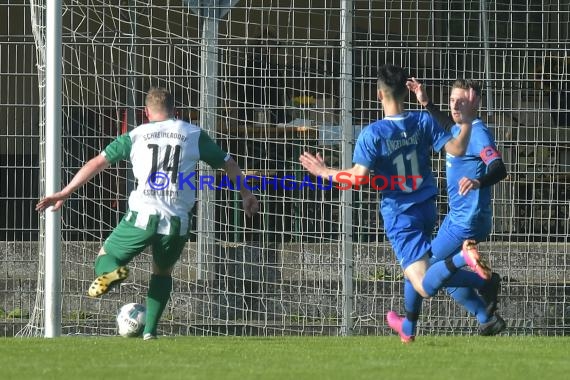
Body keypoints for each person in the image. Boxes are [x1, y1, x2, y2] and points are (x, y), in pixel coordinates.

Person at [36, 87, 259, 340]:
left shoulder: (136, 135)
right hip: (176, 221)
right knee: (161, 273)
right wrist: (246, 194)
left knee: (104, 257)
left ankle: (114, 272)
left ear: (146, 112)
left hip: (141, 215)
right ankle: (150, 331)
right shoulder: (192, 133)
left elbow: (96, 163)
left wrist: (65, 192)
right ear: (176, 111)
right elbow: (228, 163)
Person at [299, 64, 495, 342]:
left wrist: (324, 172)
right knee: (417, 271)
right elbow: (458, 148)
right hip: (427, 209)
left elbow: (357, 178)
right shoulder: (423, 121)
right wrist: (467, 120)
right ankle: (407, 328)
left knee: (425, 285)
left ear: (379, 95)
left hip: (400, 216)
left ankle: (466, 262)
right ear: (406, 91)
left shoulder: (373, 134)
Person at [389, 78, 508, 338]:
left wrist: (479, 181)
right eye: (452, 100)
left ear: (474, 103)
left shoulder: (477, 132)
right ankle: (486, 318)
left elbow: (499, 168)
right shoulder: (458, 129)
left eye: (461, 101)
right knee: (445, 279)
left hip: (467, 220)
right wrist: (427, 102)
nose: (454, 106)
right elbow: (444, 122)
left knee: (421, 270)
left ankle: (408, 327)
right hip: (459, 219)